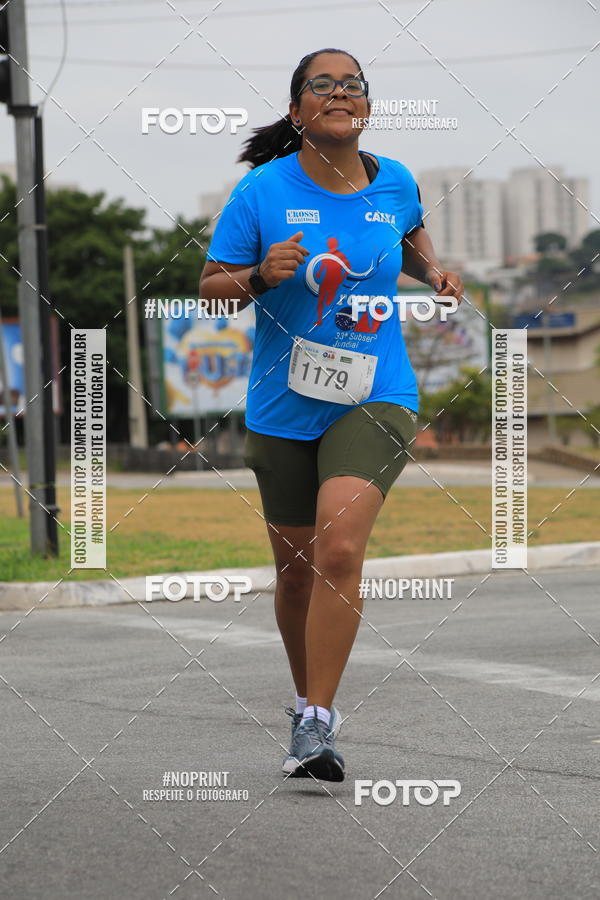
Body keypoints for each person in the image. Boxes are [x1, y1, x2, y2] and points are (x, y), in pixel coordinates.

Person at [200, 47, 463, 782]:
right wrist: (259, 274)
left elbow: (406, 236)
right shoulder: (260, 192)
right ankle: (300, 697)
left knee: (339, 550)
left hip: (377, 391)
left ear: (367, 108)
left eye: (353, 84)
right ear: (298, 112)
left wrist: (434, 271)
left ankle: (317, 722)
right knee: (294, 572)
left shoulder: (397, 180)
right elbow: (211, 288)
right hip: (284, 404)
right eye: (323, 84)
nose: (340, 92)